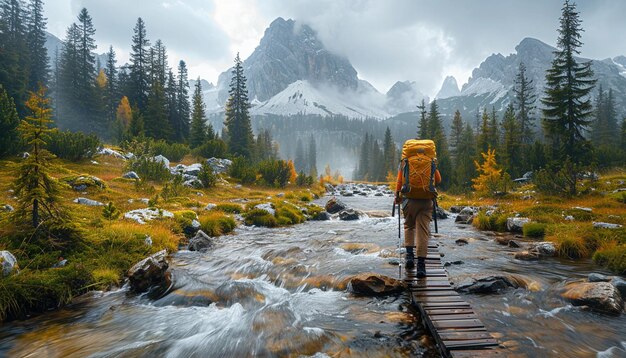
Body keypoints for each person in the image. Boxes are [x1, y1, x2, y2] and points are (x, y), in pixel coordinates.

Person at [394, 141, 442, 277]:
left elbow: (399, 181)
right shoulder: (430, 160)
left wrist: (397, 195)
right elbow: (438, 179)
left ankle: (409, 257)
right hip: (426, 201)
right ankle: (421, 265)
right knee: (423, 231)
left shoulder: (405, 161)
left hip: (409, 200)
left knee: (409, 226)